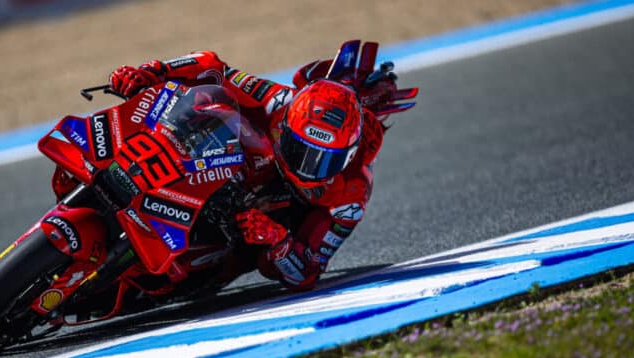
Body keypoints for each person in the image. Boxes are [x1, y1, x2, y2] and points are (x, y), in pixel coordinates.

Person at [108, 42, 416, 291]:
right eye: (302, 150)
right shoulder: (280, 100)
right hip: (207, 167)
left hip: (235, 236)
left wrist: (278, 241)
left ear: (348, 154)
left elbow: (307, 272)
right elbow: (211, 65)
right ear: (289, 124)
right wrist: (153, 72)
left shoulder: (351, 193)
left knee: (189, 274)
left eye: (327, 160)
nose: (310, 168)